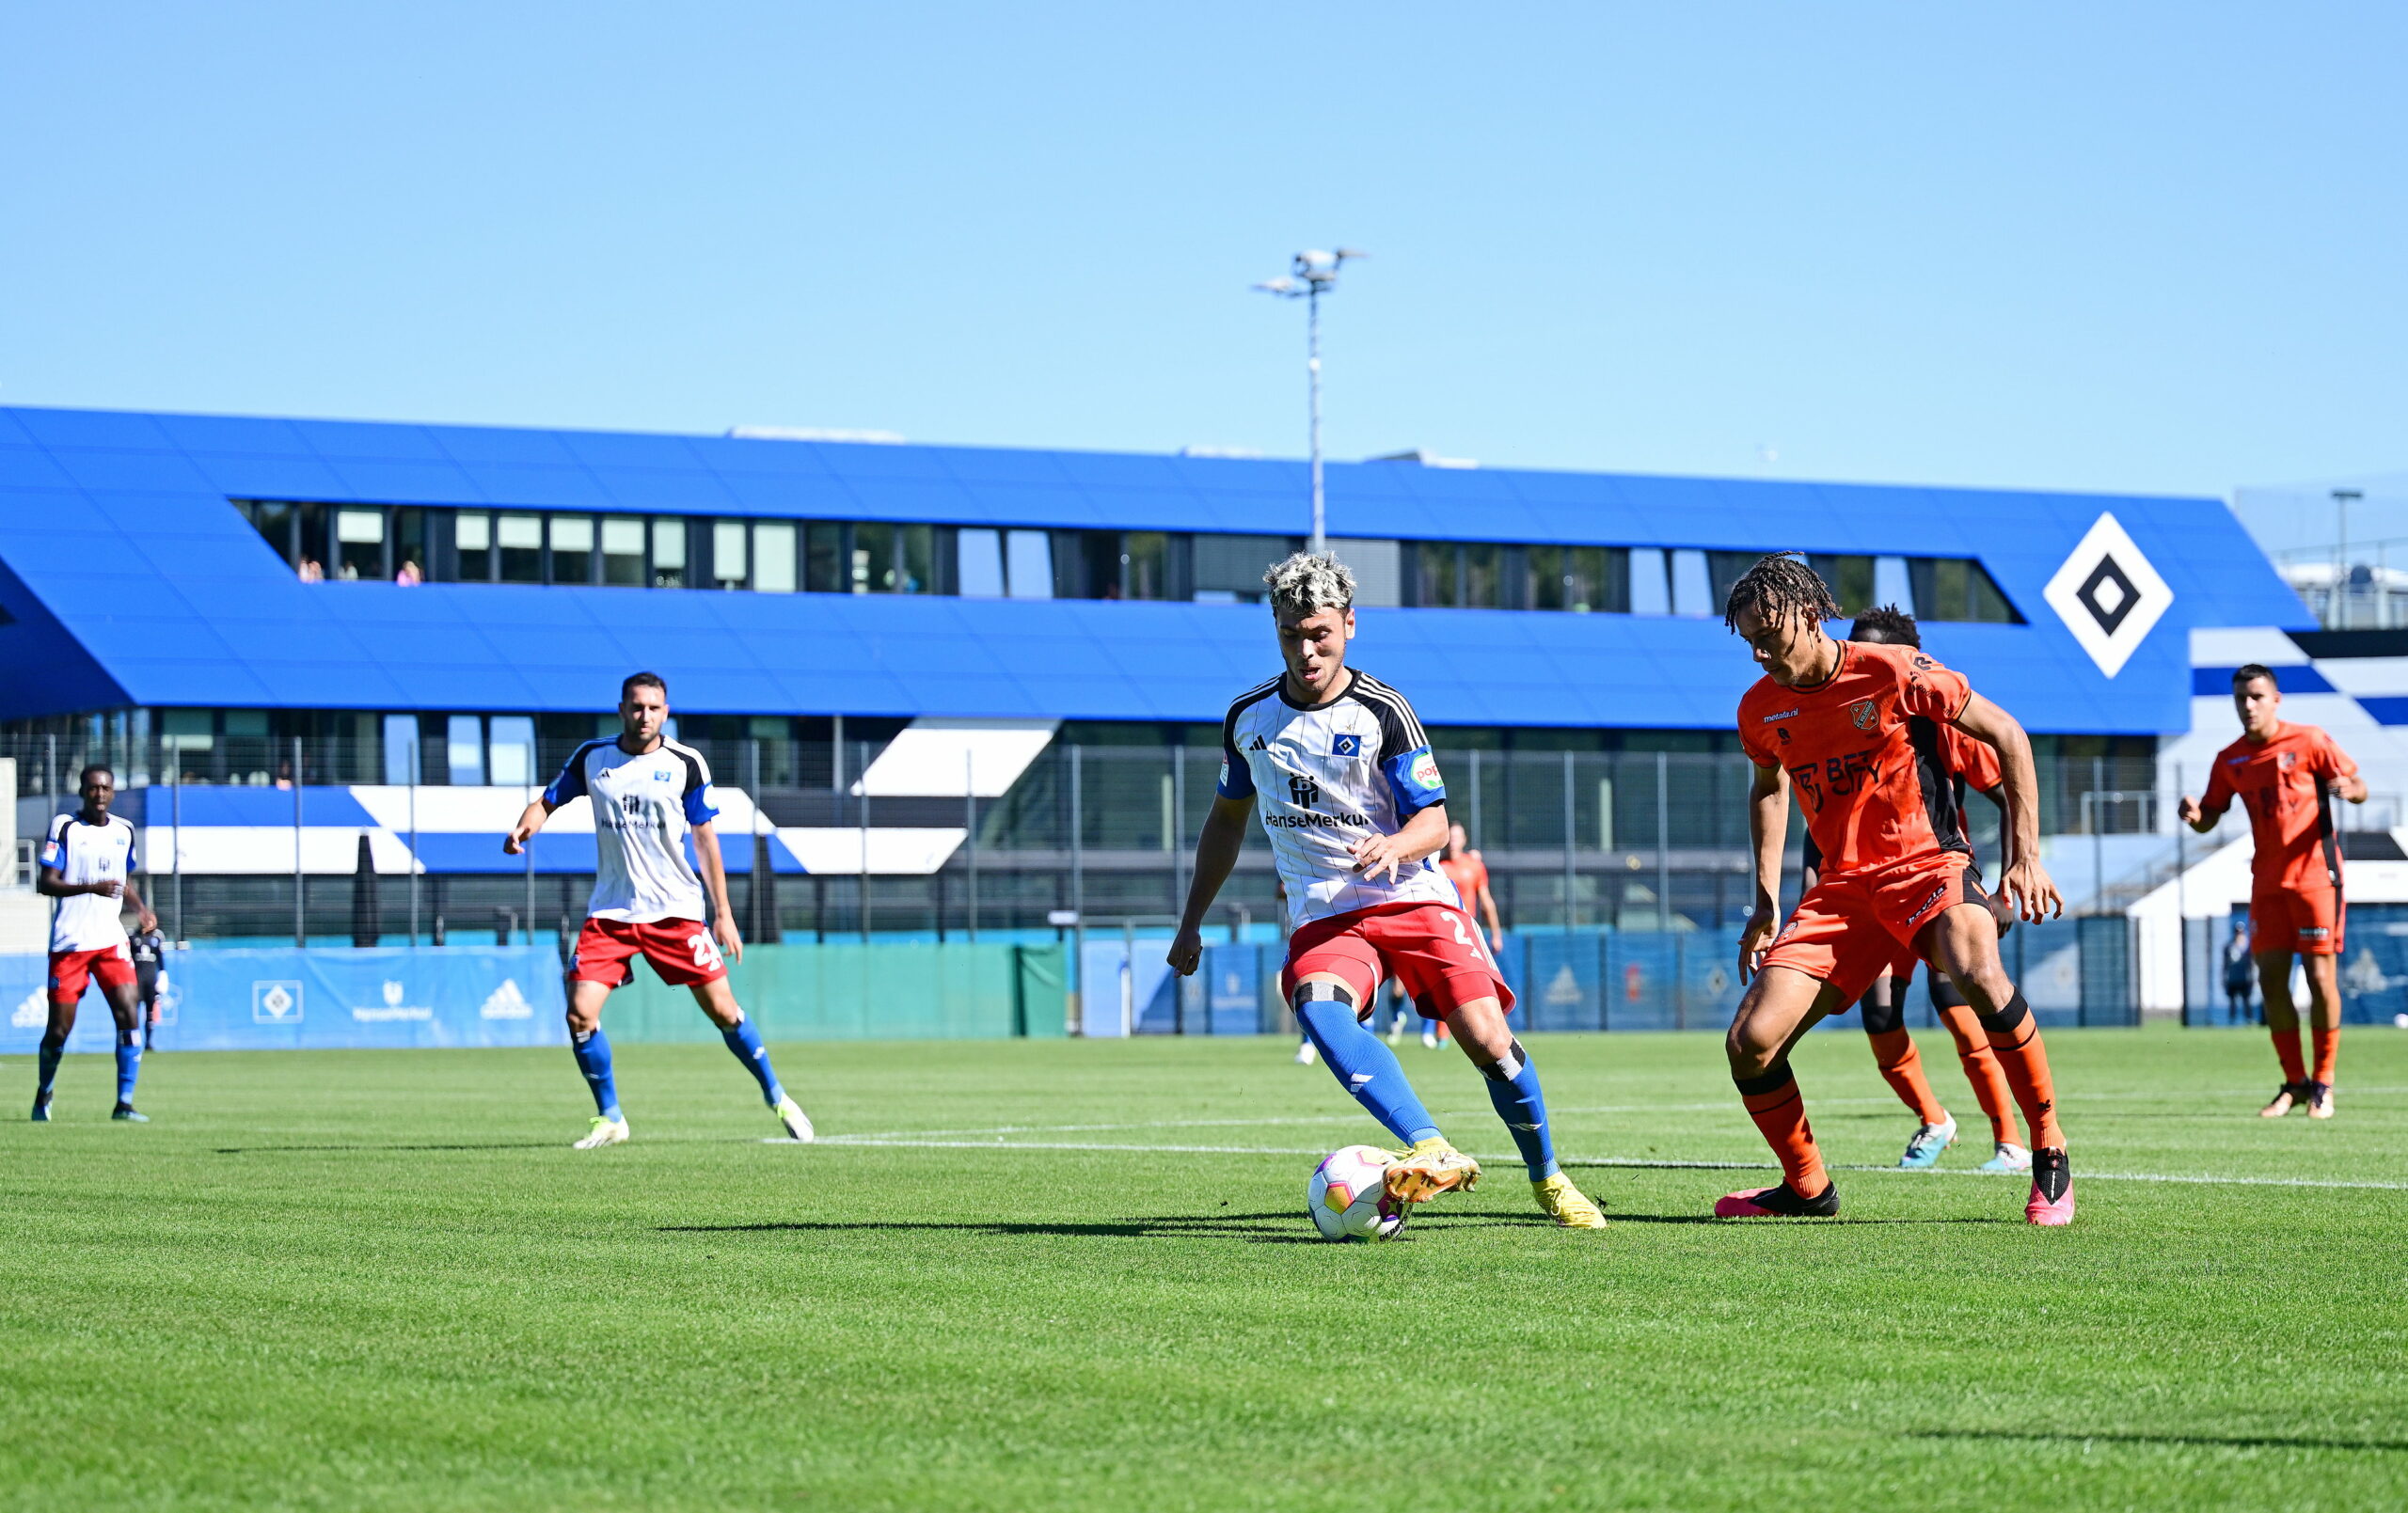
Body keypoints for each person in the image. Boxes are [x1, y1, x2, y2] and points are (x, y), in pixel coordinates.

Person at [1167, 552, 1607, 1229]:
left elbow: (1435, 820)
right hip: (1326, 914)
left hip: (1412, 895)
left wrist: (1394, 844)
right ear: (1275, 630)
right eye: (1292, 635)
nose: (1307, 650)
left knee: (1488, 1039)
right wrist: (1190, 920)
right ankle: (1430, 1145)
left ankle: (1548, 1178)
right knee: (1316, 1003)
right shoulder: (1247, 720)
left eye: (1320, 633)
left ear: (1349, 624)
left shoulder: (1384, 711)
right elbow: (1226, 820)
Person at [1723, 554, 2074, 1225]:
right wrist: (1768, 901)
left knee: (1975, 969)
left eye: (1769, 632)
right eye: (1750, 641)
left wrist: (2025, 855)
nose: (1761, 651)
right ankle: (1807, 1188)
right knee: (1750, 1041)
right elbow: (1768, 788)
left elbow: (2008, 735)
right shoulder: (1759, 709)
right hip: (1841, 890)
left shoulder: (1888, 670)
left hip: (1924, 865)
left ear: (1808, 613)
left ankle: (2048, 1148)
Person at [507, 671, 813, 1149]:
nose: (643, 715)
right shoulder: (594, 758)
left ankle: (777, 1095)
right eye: (635, 706)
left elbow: (706, 839)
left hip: (675, 910)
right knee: (580, 1015)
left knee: (724, 1011)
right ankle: (610, 1117)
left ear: (665, 712)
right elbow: (547, 800)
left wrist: (723, 912)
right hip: (611, 912)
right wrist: (525, 827)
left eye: (653, 707)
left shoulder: (686, 763)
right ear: (621, 708)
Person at [1805, 607, 2030, 1175]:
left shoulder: (1937, 714)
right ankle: (1934, 1118)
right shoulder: (1829, 715)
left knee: (1958, 1008)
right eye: (1853, 647)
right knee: (1880, 1018)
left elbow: (2006, 789)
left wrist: (2011, 876)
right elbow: (1822, 818)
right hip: (1864, 890)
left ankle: (2010, 1141)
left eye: (1872, 650)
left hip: (1933, 880)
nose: (1859, 659)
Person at [2178, 665, 2366, 1118]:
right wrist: (2194, 815)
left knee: (2321, 980)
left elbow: (2358, 786)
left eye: (2257, 696)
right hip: (2266, 883)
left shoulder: (2311, 741)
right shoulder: (2230, 759)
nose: (2248, 705)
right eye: (2241, 697)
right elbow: (2211, 815)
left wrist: (2347, 790)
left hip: (2317, 877)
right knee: (2271, 982)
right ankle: (2294, 1083)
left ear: (2276, 699)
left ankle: (2324, 1083)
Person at [32, 764, 157, 1122]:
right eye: (92, 789)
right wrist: (90, 887)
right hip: (70, 943)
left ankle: (124, 1103)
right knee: (59, 1029)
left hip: (110, 940)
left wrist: (141, 910)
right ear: (83, 792)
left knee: (129, 1012)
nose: (99, 794)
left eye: (105, 788)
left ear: (113, 792)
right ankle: (44, 1093)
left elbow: (122, 881)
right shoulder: (66, 827)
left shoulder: (124, 830)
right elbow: (46, 883)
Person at [1429, 824, 1503, 1048]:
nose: (1453, 841)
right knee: (1444, 982)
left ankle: (1490, 1029)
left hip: (1468, 932)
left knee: (1479, 981)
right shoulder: (1437, 867)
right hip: (1441, 931)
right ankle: (1442, 1032)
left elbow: (1486, 901)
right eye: (1449, 837)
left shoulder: (1474, 866)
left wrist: (1496, 933)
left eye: (1457, 837)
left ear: (1464, 840)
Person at [131, 926, 167, 1051]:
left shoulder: (156, 938)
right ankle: (133, 1040)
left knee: (150, 1012)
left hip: (151, 981)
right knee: (133, 1011)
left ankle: (148, 1042)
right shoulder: (133, 938)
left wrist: (163, 975)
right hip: (136, 981)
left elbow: (161, 960)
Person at [2222, 917, 2256, 1026]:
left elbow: (2251, 963)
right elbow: (2225, 964)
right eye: (2237, 932)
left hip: (2245, 978)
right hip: (2233, 978)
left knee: (2246, 1000)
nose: (2239, 934)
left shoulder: (2248, 946)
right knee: (2232, 1001)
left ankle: (2249, 1019)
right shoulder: (2229, 946)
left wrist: (2253, 977)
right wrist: (2224, 978)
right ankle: (2232, 1019)